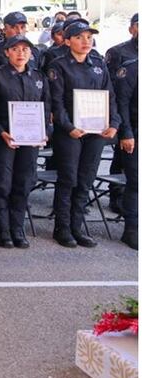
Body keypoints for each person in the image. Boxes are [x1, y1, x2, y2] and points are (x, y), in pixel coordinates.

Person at [46, 21, 120, 248]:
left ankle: (77, 227)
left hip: (95, 132)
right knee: (68, 179)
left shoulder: (98, 64)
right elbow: (56, 103)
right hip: (69, 132)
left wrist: (114, 123)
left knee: (85, 180)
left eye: (89, 37)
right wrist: (69, 127)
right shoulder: (58, 66)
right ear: (68, 41)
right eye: (79, 37)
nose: (86, 41)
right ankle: (62, 228)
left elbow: (110, 97)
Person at [0, 35, 49, 248]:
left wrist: (44, 132)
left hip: (30, 141)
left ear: (31, 53)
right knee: (2, 185)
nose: (20, 53)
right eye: (15, 49)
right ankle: (2, 230)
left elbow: (46, 107)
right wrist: (0, 131)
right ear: (7, 53)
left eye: (25, 49)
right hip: (4, 139)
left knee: (23, 184)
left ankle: (17, 228)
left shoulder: (38, 77)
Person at [113, 54, 138, 249]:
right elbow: (122, 103)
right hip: (135, 133)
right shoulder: (132, 68)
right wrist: (126, 133)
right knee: (136, 182)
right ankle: (132, 230)